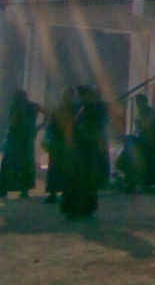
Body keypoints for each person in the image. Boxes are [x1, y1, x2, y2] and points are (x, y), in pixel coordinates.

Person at [60, 86, 104, 218]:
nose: (81, 98)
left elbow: (93, 129)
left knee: (83, 179)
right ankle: (78, 208)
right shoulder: (83, 109)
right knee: (78, 179)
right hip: (81, 148)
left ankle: (82, 208)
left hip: (87, 148)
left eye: (83, 95)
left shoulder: (93, 109)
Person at [0, 90, 40, 198]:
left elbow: (13, 123)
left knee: (10, 164)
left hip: (16, 140)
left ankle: (4, 189)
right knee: (25, 164)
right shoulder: (32, 106)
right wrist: (37, 127)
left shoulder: (17, 107)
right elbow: (48, 113)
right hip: (25, 140)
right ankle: (23, 190)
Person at [42, 88, 75, 204]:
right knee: (55, 168)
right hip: (58, 142)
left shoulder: (75, 109)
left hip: (67, 142)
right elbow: (51, 125)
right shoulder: (60, 109)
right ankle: (54, 193)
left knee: (65, 168)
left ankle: (64, 192)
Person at [134, 94, 155, 188]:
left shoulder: (149, 111)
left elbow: (154, 124)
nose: (138, 104)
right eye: (137, 102)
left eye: (139, 102)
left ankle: (154, 180)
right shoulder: (139, 114)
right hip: (145, 140)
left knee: (153, 160)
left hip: (153, 139)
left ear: (144, 102)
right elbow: (139, 127)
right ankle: (148, 180)